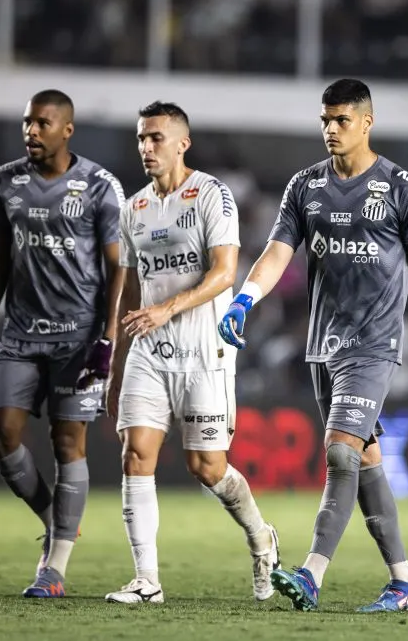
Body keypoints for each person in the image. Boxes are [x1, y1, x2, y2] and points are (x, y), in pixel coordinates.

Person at [218, 78, 408, 613]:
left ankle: (310, 573)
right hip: (322, 346)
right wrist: (244, 300)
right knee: (367, 464)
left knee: (339, 453)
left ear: (366, 123)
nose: (330, 129)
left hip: (374, 344)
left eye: (341, 121)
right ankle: (404, 583)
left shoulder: (402, 188)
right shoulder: (304, 186)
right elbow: (278, 251)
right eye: (325, 120)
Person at [104, 102, 279, 604]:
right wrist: (116, 364)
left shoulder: (211, 195)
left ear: (183, 142)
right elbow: (132, 289)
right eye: (141, 138)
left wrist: (169, 308)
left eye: (156, 137)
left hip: (205, 351)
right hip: (150, 352)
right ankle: (147, 580)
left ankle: (261, 537)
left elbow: (225, 272)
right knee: (136, 455)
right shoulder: (133, 208)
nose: (146, 147)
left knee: (207, 467)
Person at [0, 89, 125, 598]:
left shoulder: (100, 186)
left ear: (67, 130)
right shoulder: (4, 182)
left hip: (77, 338)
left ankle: (53, 568)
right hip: (18, 334)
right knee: (0, 434)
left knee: (67, 443)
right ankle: (55, 516)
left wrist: (109, 334)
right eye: (26, 123)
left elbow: (117, 267)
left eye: (41, 123)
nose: (30, 132)